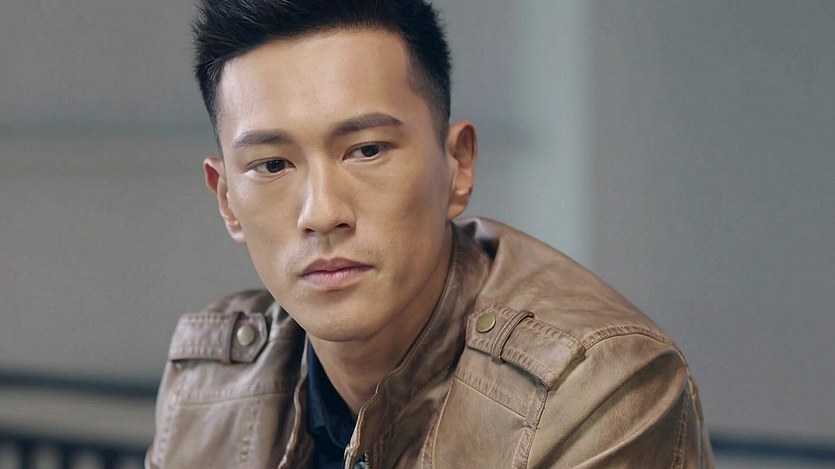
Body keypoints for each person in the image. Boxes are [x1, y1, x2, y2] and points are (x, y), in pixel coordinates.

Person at [146, 1, 713, 467]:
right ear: (227, 200)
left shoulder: (598, 388)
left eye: (367, 150)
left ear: (458, 164)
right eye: (272, 164)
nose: (321, 213)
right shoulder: (210, 387)